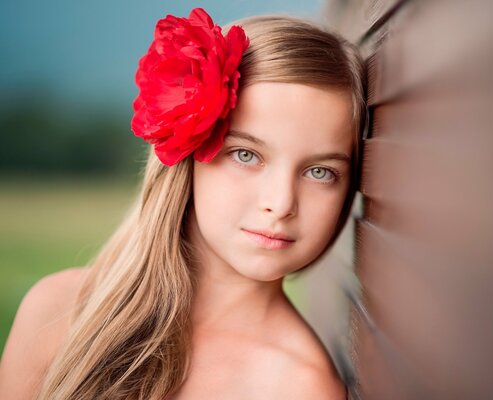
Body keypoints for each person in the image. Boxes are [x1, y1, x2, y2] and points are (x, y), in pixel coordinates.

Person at [0, 7, 365, 400]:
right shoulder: (57, 309)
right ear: (188, 156)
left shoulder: (300, 387)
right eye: (245, 155)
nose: (280, 203)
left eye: (320, 172)